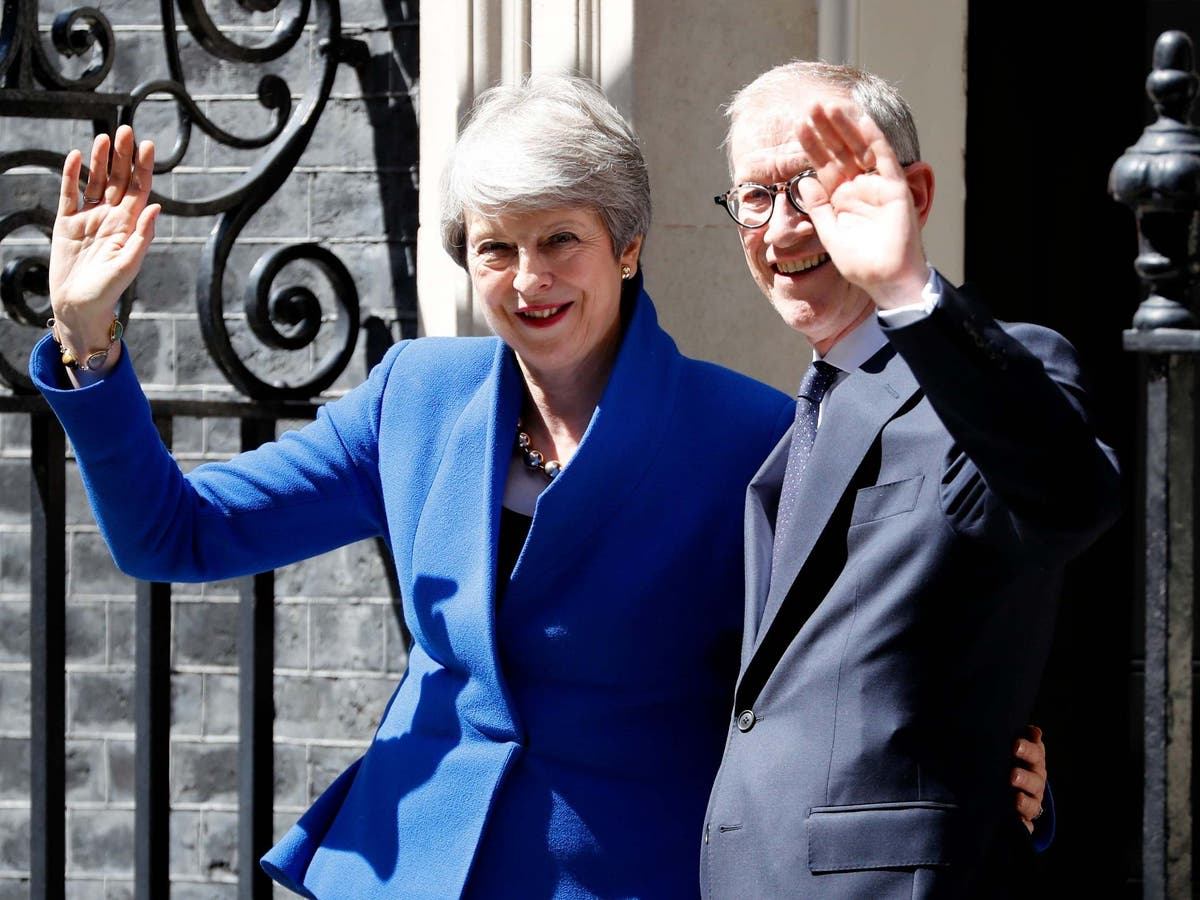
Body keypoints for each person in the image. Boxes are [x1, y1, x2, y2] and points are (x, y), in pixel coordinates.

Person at [34, 74, 1046, 898]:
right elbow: (177, 536)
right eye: (496, 248)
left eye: (559, 238)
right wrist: (89, 337)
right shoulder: (414, 399)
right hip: (402, 871)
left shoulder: (748, 435)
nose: (529, 279)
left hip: (626, 876)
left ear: (627, 244)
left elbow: (864, 668)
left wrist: (1012, 772)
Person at [700, 61, 1120, 897]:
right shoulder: (786, 441)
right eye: (755, 195)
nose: (783, 228)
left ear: (913, 195)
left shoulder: (1001, 373)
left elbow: (1069, 501)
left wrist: (903, 287)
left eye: (814, 185)